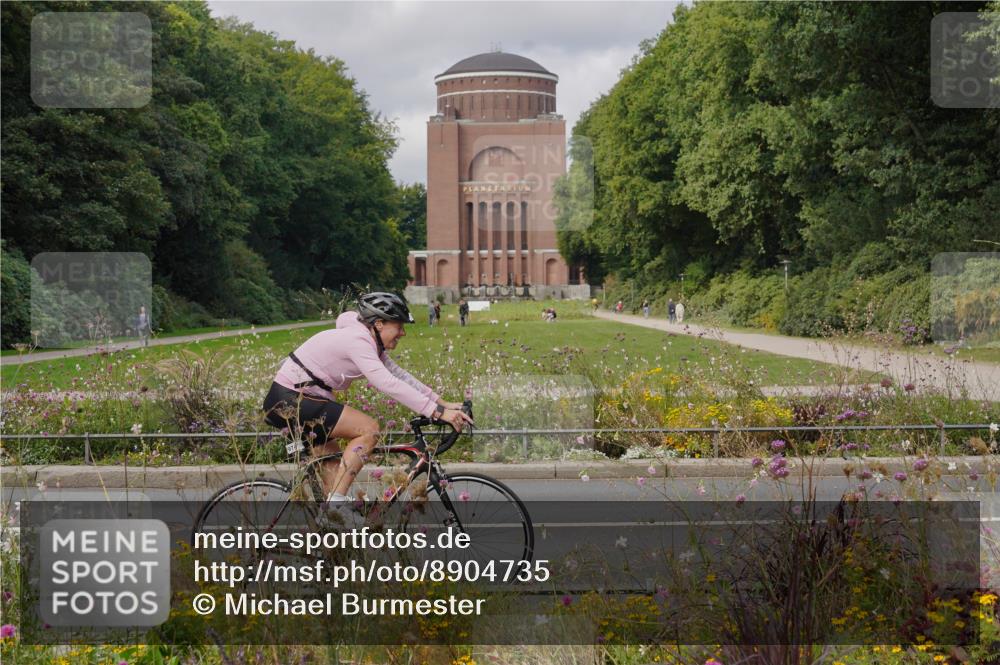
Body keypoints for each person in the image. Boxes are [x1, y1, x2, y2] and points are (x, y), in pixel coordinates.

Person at [263, 292, 473, 524]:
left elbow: (398, 374)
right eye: (399, 326)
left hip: (305, 399)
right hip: (291, 401)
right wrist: (436, 412)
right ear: (379, 324)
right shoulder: (358, 341)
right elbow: (387, 382)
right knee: (369, 430)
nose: (402, 332)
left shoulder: (370, 340)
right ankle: (335, 509)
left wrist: (441, 402)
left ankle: (334, 537)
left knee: (336, 475)